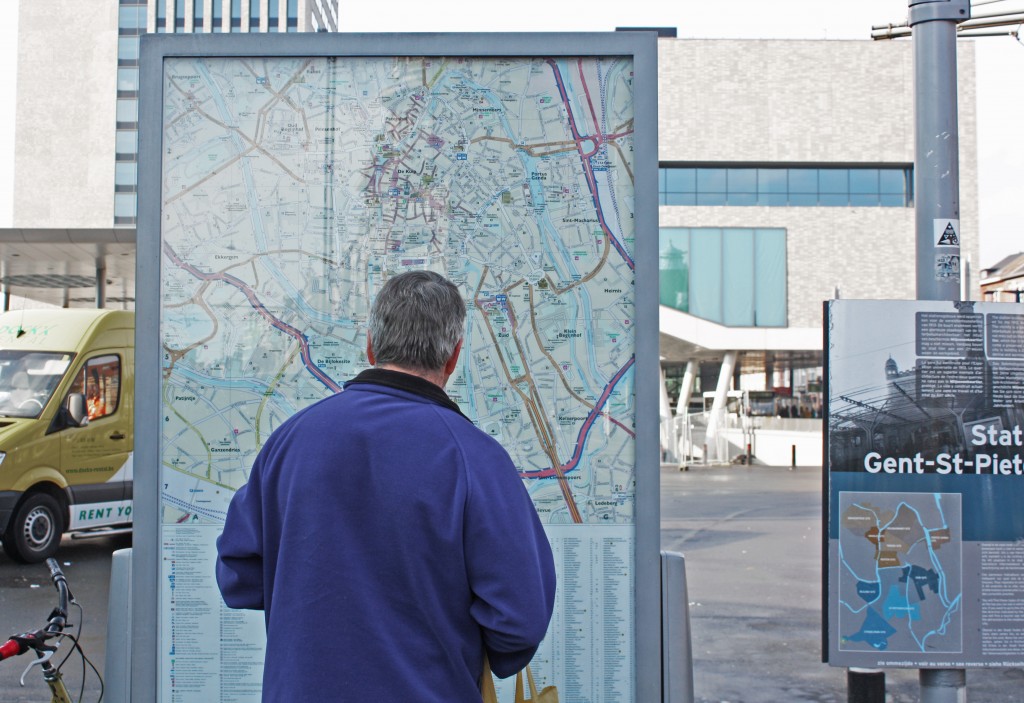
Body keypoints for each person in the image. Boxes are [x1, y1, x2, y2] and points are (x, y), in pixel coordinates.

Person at [216, 270, 556, 701]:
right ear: (453, 358)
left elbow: (238, 576)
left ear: (372, 346)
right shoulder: (474, 458)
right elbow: (519, 620)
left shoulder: (291, 440)